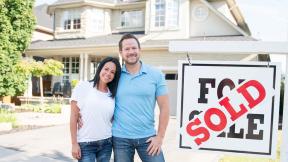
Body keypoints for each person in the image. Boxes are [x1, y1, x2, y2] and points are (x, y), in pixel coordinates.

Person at [112, 33, 170, 162]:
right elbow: (101, 96)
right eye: (127, 49)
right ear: (121, 52)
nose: (131, 52)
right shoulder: (115, 76)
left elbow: (165, 107)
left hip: (148, 137)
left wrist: (160, 137)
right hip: (120, 139)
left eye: (134, 48)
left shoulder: (155, 74)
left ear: (140, 50)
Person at [70, 57, 121, 162]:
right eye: (106, 69)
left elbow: (110, 118)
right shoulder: (83, 86)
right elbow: (73, 117)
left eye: (112, 72)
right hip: (86, 144)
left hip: (106, 143)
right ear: (100, 68)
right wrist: (74, 144)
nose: (108, 73)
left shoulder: (112, 94)